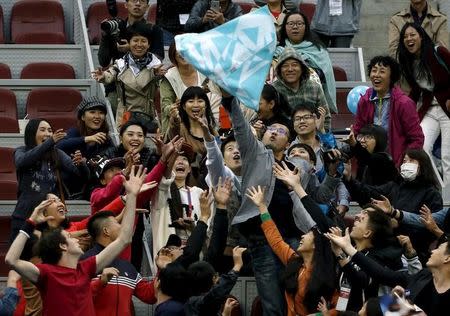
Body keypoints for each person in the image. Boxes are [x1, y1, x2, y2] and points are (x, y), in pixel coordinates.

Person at [5, 165, 146, 316]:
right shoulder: (46, 273)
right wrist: (31, 221)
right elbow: (11, 260)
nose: (77, 240)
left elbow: (124, 239)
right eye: (69, 237)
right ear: (62, 246)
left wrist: (131, 197)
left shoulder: (85, 268)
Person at [246, 185, 338, 315]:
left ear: (315, 245)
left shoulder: (328, 274)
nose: (302, 236)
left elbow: (340, 308)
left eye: (307, 235)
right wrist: (262, 206)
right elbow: (276, 241)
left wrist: (323, 314)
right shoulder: (294, 260)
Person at [326, 228, 450, 316]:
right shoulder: (424, 276)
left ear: (447, 258)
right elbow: (382, 275)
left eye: (438, 248)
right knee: (369, 308)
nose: (433, 251)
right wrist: (396, 300)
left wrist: (404, 306)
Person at [345, 149, 442, 260]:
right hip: (384, 247)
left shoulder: (431, 194)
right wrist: (349, 179)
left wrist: (399, 224)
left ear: (422, 165)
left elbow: (431, 228)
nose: (406, 164)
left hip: (414, 252)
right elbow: (369, 194)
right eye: (405, 161)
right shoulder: (395, 186)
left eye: (412, 161)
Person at [11, 119, 89, 241]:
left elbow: (82, 175)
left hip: (49, 219)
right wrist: (50, 142)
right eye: (42, 130)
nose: (48, 134)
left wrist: (81, 164)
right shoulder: (21, 150)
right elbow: (21, 162)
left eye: (50, 130)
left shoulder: (57, 154)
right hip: (25, 215)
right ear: (32, 133)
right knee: (22, 255)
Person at [397, 22, 450, 186]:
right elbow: (415, 91)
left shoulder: (438, 51)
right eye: (405, 36)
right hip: (430, 109)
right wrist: (403, 107)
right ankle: (440, 190)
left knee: (447, 156)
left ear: (421, 36)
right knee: (421, 149)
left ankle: (449, 196)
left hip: (447, 109)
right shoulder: (409, 62)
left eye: (412, 35)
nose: (409, 39)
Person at [93, 21, 167, 130]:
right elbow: (110, 75)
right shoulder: (121, 63)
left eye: (143, 41)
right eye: (135, 40)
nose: (139, 45)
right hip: (125, 115)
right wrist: (103, 76)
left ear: (149, 44)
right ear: (129, 43)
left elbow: (158, 79)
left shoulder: (156, 65)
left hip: (148, 115)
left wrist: (156, 74)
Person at [353, 55, 424, 167]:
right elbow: (358, 130)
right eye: (374, 71)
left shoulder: (404, 103)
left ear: (392, 77)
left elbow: (417, 139)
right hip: (369, 164)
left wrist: (404, 161)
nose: (376, 75)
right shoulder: (364, 101)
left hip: (395, 165)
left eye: (382, 71)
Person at [81, 210, 157, 315]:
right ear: (106, 231)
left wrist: (162, 269)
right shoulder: (84, 262)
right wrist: (100, 282)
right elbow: (76, 298)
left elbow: (149, 296)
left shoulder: (127, 266)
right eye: (118, 224)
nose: (123, 227)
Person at [97, 0, 164, 115]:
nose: (137, 4)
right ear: (126, 5)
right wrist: (105, 36)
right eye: (133, 0)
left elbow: (158, 59)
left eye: (142, 1)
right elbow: (103, 61)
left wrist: (132, 48)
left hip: (144, 88)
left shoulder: (153, 30)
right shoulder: (116, 27)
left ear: (147, 6)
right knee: (120, 127)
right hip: (118, 87)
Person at [274, 11, 337, 113]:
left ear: (306, 27)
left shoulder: (318, 49)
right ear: (284, 27)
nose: (295, 27)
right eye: (290, 24)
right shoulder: (277, 49)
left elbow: (325, 74)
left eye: (299, 24)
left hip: (310, 95)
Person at [160, 43, 222, 135]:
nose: (183, 54)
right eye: (179, 51)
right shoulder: (169, 77)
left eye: (187, 51)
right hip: (180, 128)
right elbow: (166, 106)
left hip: (209, 121)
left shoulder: (206, 72)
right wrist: (177, 107)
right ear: (173, 54)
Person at [166, 86, 218, 186]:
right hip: (186, 186)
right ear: (184, 106)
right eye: (190, 101)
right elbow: (173, 135)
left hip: (211, 185)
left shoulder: (213, 132)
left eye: (200, 101)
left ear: (206, 105)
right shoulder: (179, 129)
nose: (196, 105)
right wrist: (175, 120)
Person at [272, 47, 332, 131]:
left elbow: (326, 118)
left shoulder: (314, 87)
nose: (290, 69)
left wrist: (322, 136)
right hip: (283, 136)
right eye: (285, 66)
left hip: (311, 136)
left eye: (294, 65)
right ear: (279, 70)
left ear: (302, 68)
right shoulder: (274, 89)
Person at [185, 246, 247, 316]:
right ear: (213, 278)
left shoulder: (187, 301)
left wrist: (224, 314)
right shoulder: (202, 303)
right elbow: (217, 292)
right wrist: (237, 265)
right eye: (216, 275)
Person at [57, 97, 113, 161]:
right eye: (92, 112)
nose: (97, 116)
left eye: (101, 113)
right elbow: (58, 146)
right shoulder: (74, 132)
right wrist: (87, 138)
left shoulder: (105, 138)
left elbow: (114, 155)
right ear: (83, 117)